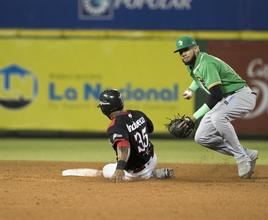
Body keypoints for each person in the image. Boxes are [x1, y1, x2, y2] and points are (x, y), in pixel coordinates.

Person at [174, 35, 258, 179]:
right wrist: (190, 90)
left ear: (196, 48)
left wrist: (193, 118)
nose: (183, 54)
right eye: (180, 52)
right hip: (226, 98)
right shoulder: (192, 65)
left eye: (186, 49)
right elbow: (198, 79)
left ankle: (241, 158)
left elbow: (216, 95)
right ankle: (247, 154)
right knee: (202, 137)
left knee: (218, 117)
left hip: (241, 95)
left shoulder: (206, 63)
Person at [97, 89, 174, 183]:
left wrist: (120, 168)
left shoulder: (115, 126)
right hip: (152, 159)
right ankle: (152, 172)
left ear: (104, 109)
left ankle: (150, 174)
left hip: (136, 173)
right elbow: (151, 128)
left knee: (106, 169)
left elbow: (124, 146)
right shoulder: (137, 113)